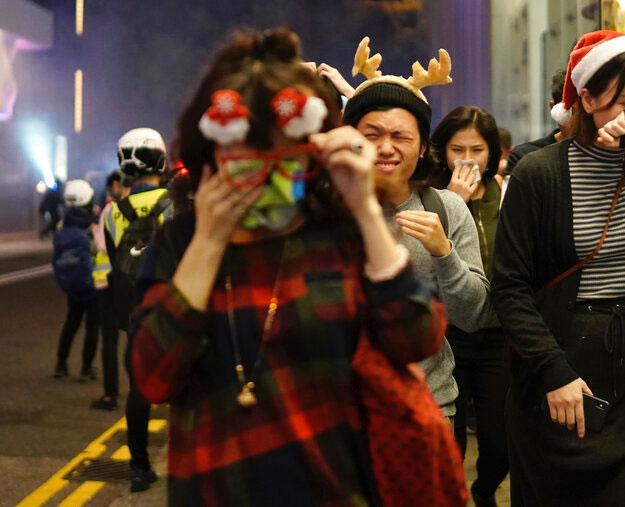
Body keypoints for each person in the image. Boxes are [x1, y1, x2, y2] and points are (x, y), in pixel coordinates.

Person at [129, 28, 455, 505]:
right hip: (215, 488)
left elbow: (417, 336)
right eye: (247, 151)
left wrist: (364, 208)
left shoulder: (337, 233)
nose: (264, 170)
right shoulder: (181, 243)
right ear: (212, 153)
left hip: (335, 488)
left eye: (283, 152)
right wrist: (208, 240)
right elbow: (153, 377)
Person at [491, 30, 625, 506]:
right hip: (563, 366)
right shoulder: (538, 172)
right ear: (585, 98)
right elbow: (510, 287)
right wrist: (554, 372)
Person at [343, 38, 491, 423]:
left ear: (423, 147)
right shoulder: (329, 210)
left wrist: (444, 253)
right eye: (372, 135)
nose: (386, 148)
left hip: (428, 406)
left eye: (401, 137)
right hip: (342, 411)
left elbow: (473, 316)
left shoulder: (447, 208)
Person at [429, 106, 509, 507]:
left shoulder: (507, 192)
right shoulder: (431, 196)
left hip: (498, 334)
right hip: (448, 335)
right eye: (456, 149)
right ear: (441, 151)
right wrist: (453, 203)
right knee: (451, 439)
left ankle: (485, 489)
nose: (466, 159)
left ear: (492, 152)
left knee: (499, 441)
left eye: (476, 149)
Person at [91, 127, 170, 494]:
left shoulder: (109, 212)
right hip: (173, 310)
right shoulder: (176, 202)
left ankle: (139, 468)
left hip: (135, 314)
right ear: (159, 158)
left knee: (138, 391)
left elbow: (108, 260)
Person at [51, 179, 100, 381]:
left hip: (73, 283)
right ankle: (86, 368)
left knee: (71, 322)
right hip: (92, 282)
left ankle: (61, 364)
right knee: (92, 327)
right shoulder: (92, 225)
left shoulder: (62, 224)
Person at [505, 69, 566, 175]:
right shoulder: (523, 157)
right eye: (571, 111)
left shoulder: (601, 154)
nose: (579, 120)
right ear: (553, 108)